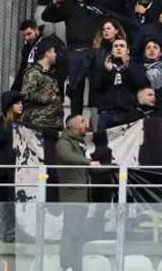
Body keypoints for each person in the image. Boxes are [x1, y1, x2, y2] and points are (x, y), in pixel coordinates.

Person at [55, 114, 101, 271]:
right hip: (71, 194)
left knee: (78, 234)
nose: (85, 123)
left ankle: (76, 266)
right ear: (73, 125)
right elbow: (66, 156)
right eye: (82, 121)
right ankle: (66, 265)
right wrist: (89, 162)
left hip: (81, 195)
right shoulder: (64, 142)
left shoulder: (80, 144)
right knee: (70, 231)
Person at [20, 38, 64, 133]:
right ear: (47, 53)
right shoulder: (34, 72)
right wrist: (46, 98)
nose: (55, 55)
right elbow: (26, 94)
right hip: (39, 124)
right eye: (53, 52)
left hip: (53, 124)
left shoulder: (50, 73)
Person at [0, 91, 25, 200]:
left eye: (21, 103)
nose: (21, 106)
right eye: (17, 103)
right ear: (9, 106)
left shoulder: (25, 123)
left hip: (20, 169)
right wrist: (11, 127)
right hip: (3, 169)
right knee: (3, 200)